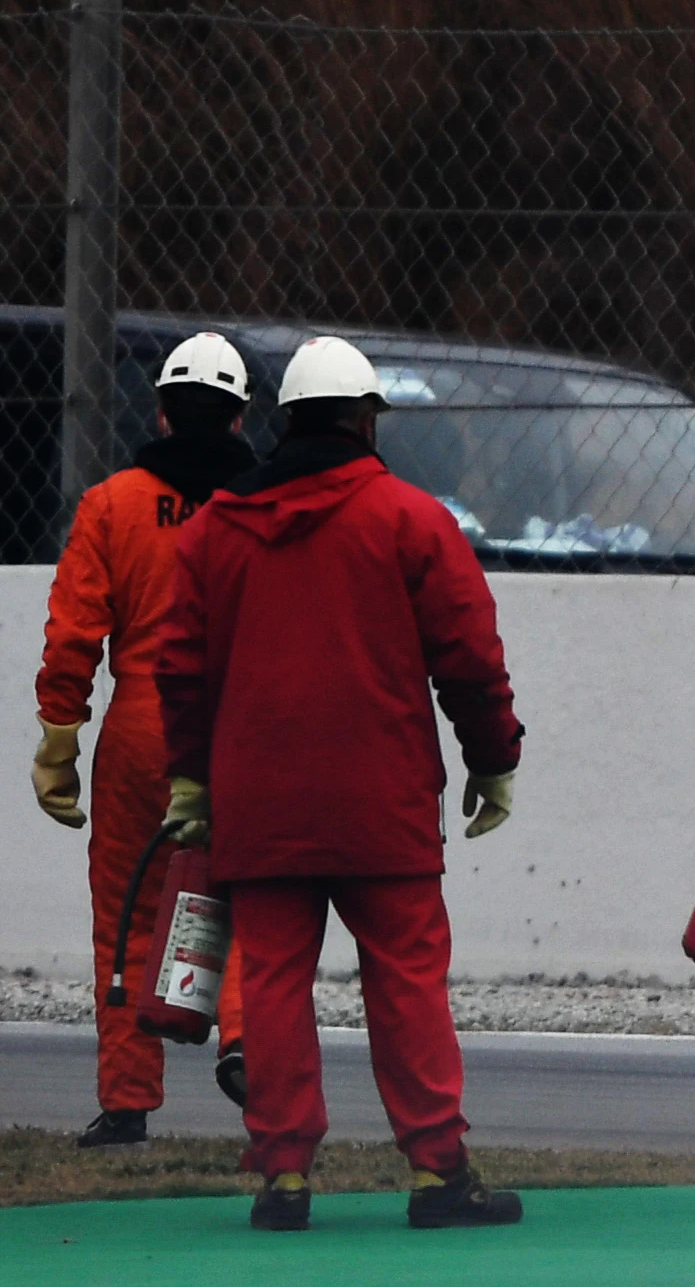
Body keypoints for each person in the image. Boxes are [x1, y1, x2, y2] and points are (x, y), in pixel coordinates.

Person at [154, 336, 525, 1233]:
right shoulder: (409, 519)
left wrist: (192, 777)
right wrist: (493, 756)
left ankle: (283, 1177)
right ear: (366, 421)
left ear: (282, 423)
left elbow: (178, 667)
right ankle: (440, 1172)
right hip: (380, 798)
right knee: (405, 979)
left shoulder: (213, 533)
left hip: (261, 800)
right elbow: (468, 656)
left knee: (274, 981)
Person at [34, 334, 259, 1147]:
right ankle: (243, 1041)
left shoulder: (113, 503)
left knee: (127, 919)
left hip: (140, 724)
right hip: (240, 726)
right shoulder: (267, 505)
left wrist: (59, 737)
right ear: (240, 419)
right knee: (243, 900)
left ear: (160, 412)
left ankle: (128, 1104)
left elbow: (73, 635)